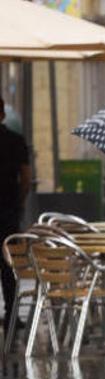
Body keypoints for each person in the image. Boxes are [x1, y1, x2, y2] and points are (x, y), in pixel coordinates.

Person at [0, 96, 31, 332]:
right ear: (2, 115)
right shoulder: (15, 141)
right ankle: (12, 314)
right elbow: (26, 176)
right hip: (8, 210)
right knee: (8, 265)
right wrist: (19, 200)